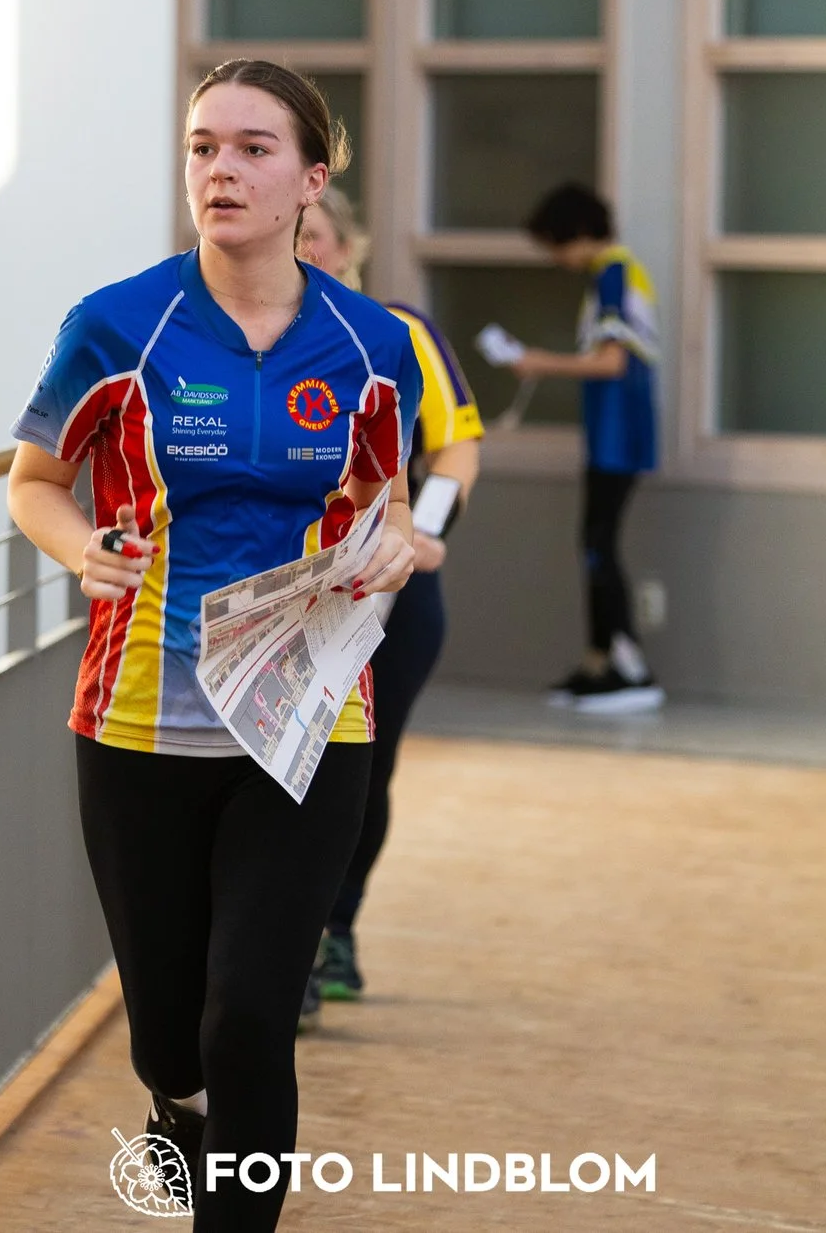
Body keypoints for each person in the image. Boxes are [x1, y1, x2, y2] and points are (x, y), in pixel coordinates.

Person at [6, 59, 420, 1231]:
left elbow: (387, 492)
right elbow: (33, 482)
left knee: (249, 1011)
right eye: (201, 147)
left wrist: (390, 541)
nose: (220, 170)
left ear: (310, 178)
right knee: (171, 1025)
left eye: (250, 148)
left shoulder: (371, 341)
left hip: (307, 713)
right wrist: (78, 546)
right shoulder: (116, 324)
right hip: (139, 715)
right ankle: (173, 1101)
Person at [292, 187, 482, 1030]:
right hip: (290, 598)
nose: (305, 248)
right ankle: (282, 950)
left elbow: (457, 443)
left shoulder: (393, 332)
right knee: (280, 773)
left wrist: (426, 534)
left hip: (391, 592)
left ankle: (334, 927)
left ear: (349, 246)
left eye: (318, 237)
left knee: (363, 769)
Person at [506, 182, 663, 713]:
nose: (556, 258)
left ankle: (626, 664)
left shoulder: (615, 273)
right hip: (611, 432)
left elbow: (612, 362)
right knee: (595, 543)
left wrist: (539, 361)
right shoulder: (611, 274)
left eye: (556, 244)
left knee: (599, 544)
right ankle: (602, 659)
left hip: (620, 434)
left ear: (575, 234)